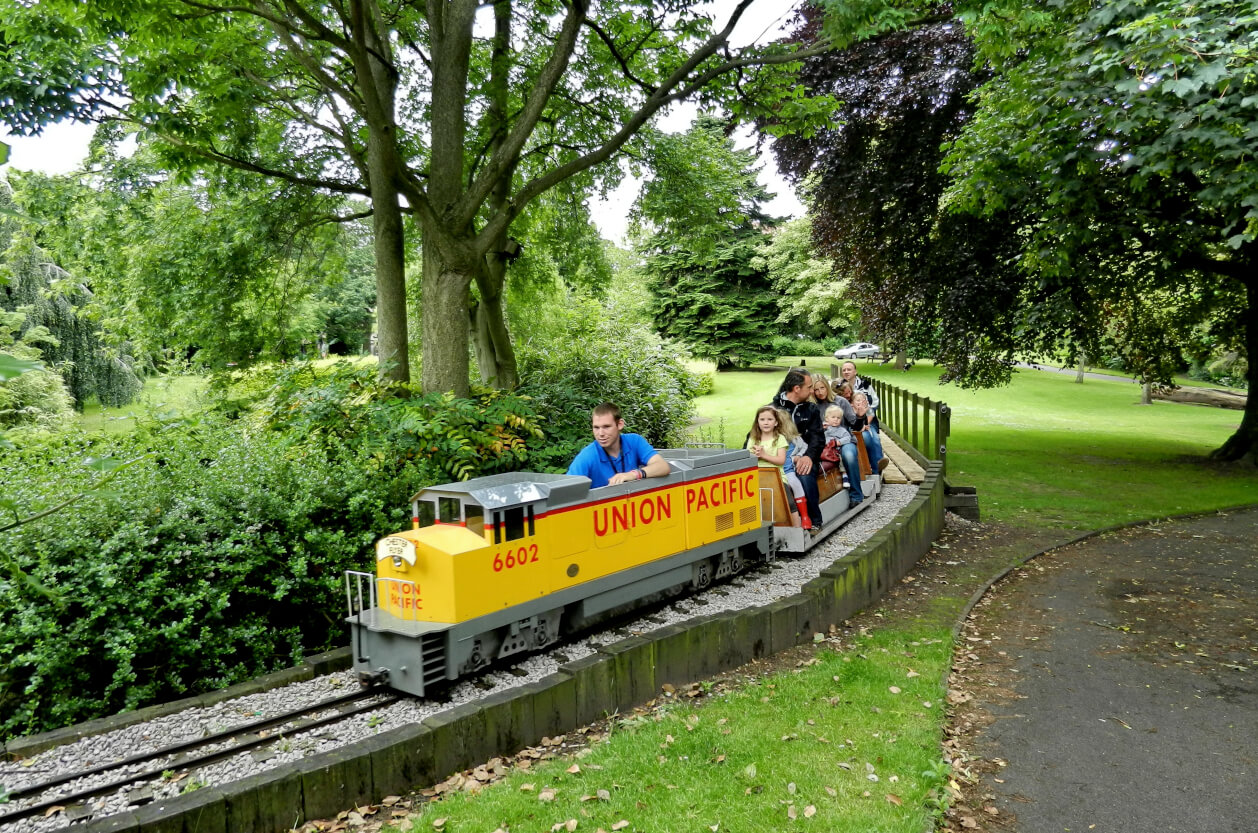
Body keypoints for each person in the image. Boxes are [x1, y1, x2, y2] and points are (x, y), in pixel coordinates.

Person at [567, 402, 671, 488]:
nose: (601, 434)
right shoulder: (587, 456)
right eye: (596, 427)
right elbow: (567, 491)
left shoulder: (634, 441)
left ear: (620, 424)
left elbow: (662, 466)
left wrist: (633, 475)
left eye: (606, 427)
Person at [771, 369, 824, 532]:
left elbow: (818, 438)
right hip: (777, 457)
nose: (811, 391)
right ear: (796, 389)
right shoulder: (772, 409)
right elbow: (754, 435)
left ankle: (815, 520)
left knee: (805, 473)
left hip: (805, 455)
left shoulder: (812, 409)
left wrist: (808, 457)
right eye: (809, 387)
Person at [745, 406, 805, 528]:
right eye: (762, 419)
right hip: (757, 476)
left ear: (776, 422)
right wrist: (754, 455)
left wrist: (763, 455)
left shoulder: (780, 439)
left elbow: (781, 460)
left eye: (769, 419)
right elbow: (747, 457)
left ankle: (797, 530)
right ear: (757, 422)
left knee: (788, 501)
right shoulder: (753, 438)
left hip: (776, 476)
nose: (766, 422)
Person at [822, 405, 864, 508]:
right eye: (833, 418)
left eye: (838, 418)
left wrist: (838, 442)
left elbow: (848, 437)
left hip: (837, 449)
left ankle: (846, 477)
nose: (836, 420)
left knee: (843, 457)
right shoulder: (824, 428)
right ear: (826, 418)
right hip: (825, 449)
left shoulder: (841, 430)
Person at [850, 392, 889, 474]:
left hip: (865, 426)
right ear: (851, 403)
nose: (860, 402)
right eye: (858, 400)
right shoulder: (850, 411)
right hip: (854, 431)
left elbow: (868, 420)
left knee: (874, 438)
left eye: (863, 400)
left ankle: (878, 462)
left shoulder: (866, 409)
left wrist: (864, 424)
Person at [839, 360, 880, 427]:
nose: (846, 372)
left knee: (875, 438)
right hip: (845, 421)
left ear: (855, 372)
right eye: (844, 370)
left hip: (867, 418)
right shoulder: (839, 387)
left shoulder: (865, 385)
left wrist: (866, 420)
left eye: (849, 370)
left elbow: (874, 404)